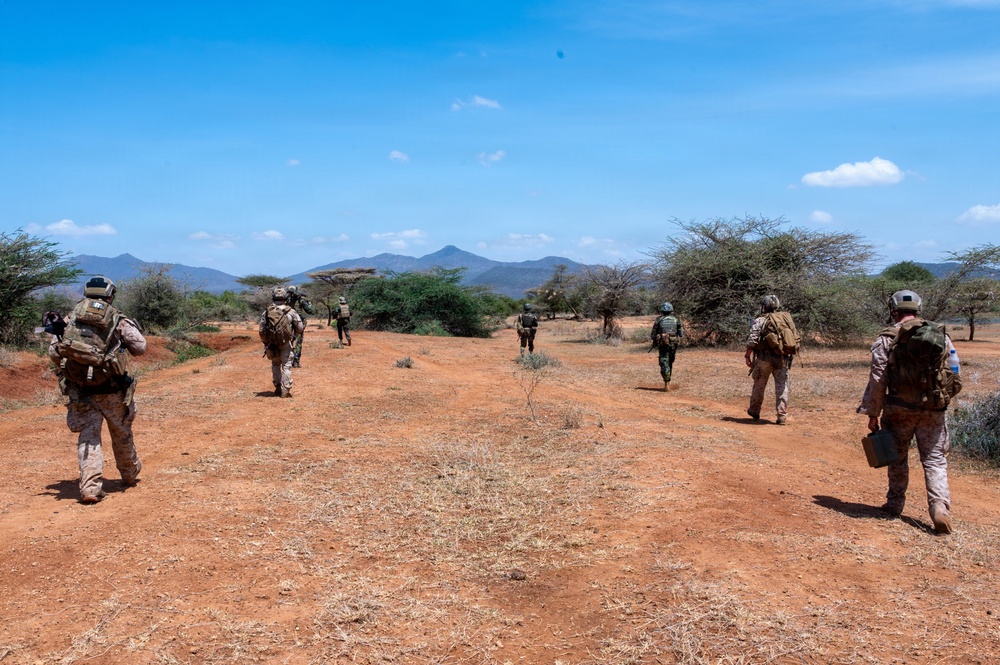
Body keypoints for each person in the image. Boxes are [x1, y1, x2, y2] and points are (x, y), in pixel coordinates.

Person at [857, 289, 961, 534]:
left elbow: (878, 378)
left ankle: (894, 504)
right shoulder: (940, 335)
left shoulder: (886, 338)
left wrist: (873, 412)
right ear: (918, 308)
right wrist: (943, 399)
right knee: (934, 459)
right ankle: (939, 508)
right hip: (933, 409)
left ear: (893, 309)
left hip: (898, 408)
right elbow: (954, 370)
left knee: (897, 456)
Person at [47, 276, 146, 504]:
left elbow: (54, 353)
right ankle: (129, 475)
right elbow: (140, 348)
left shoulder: (70, 319)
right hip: (113, 390)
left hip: (80, 391)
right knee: (121, 433)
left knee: (89, 437)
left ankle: (91, 487)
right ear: (110, 295)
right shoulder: (119, 320)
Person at [744, 294, 796, 425]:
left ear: (764, 306)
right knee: (782, 386)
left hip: (764, 359)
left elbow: (752, 339)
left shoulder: (760, 320)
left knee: (759, 385)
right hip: (782, 358)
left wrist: (747, 355)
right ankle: (782, 415)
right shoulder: (785, 319)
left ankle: (755, 411)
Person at [259, 287, 304, 398]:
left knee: (275, 364)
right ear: (285, 298)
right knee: (286, 366)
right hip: (286, 343)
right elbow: (300, 327)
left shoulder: (267, 312)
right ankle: (285, 390)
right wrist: (293, 336)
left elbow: (261, 330)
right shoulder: (291, 311)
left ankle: (277, 387)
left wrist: (266, 341)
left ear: (273, 297)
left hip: (271, 344)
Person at [651, 302, 683, 391]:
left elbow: (653, 333)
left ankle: (666, 383)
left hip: (663, 343)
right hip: (673, 343)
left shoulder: (658, 320)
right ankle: (668, 382)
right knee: (670, 361)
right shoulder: (676, 319)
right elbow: (680, 334)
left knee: (664, 361)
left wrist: (654, 341)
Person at [285, 285, 314, 368]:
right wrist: (309, 304)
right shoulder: (301, 300)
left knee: (287, 341)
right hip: (299, 322)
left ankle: (287, 361)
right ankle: (296, 362)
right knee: (298, 342)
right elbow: (310, 311)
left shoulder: (286, 299)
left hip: (288, 322)